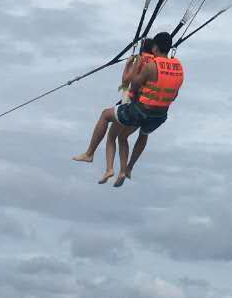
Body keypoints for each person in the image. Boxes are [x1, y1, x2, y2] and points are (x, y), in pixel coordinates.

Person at [72, 32, 184, 187]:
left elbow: (134, 84)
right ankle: (128, 168)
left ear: (155, 47)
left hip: (140, 111)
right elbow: (175, 93)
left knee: (106, 115)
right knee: (140, 134)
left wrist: (133, 67)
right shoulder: (179, 68)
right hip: (159, 116)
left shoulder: (151, 66)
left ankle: (90, 153)